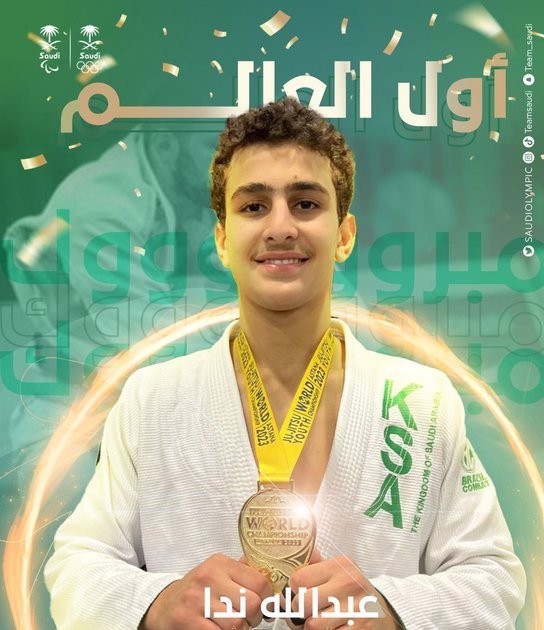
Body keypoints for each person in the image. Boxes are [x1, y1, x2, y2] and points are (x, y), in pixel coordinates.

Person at [44, 98, 526, 630]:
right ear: (222, 239)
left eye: (305, 204)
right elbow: (75, 565)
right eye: (253, 206)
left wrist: (391, 609)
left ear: (344, 235)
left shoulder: (424, 402)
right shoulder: (150, 400)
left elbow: (493, 579)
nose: (280, 227)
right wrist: (156, 604)